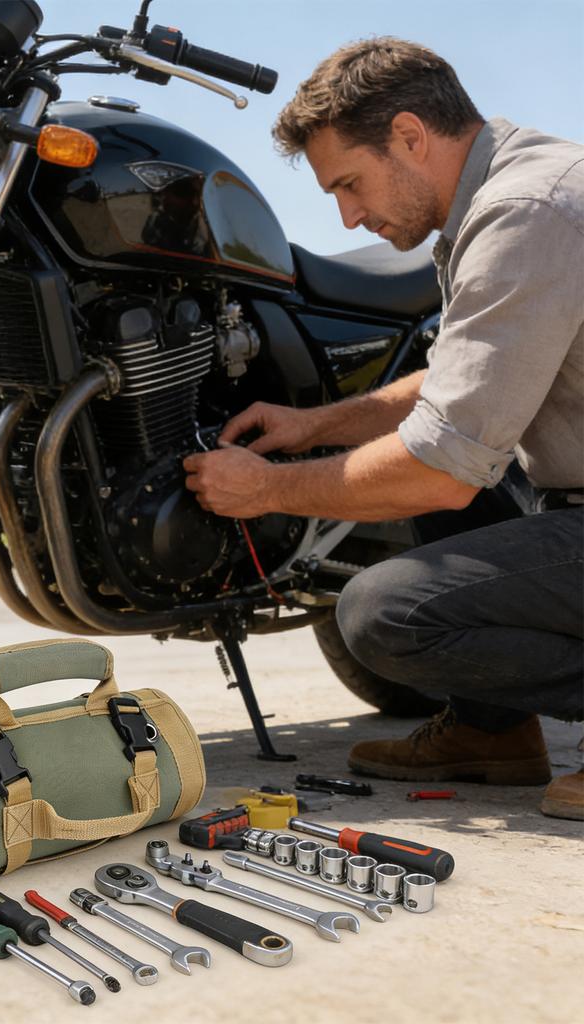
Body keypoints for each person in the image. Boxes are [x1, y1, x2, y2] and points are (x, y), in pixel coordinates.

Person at [182, 38, 583, 819]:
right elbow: (458, 385)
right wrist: (316, 425)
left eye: (349, 184)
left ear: (409, 135)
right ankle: (493, 732)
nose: (348, 216)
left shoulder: (525, 212)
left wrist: (267, 490)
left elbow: (439, 467)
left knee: (383, 613)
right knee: (433, 464)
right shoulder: (507, 193)